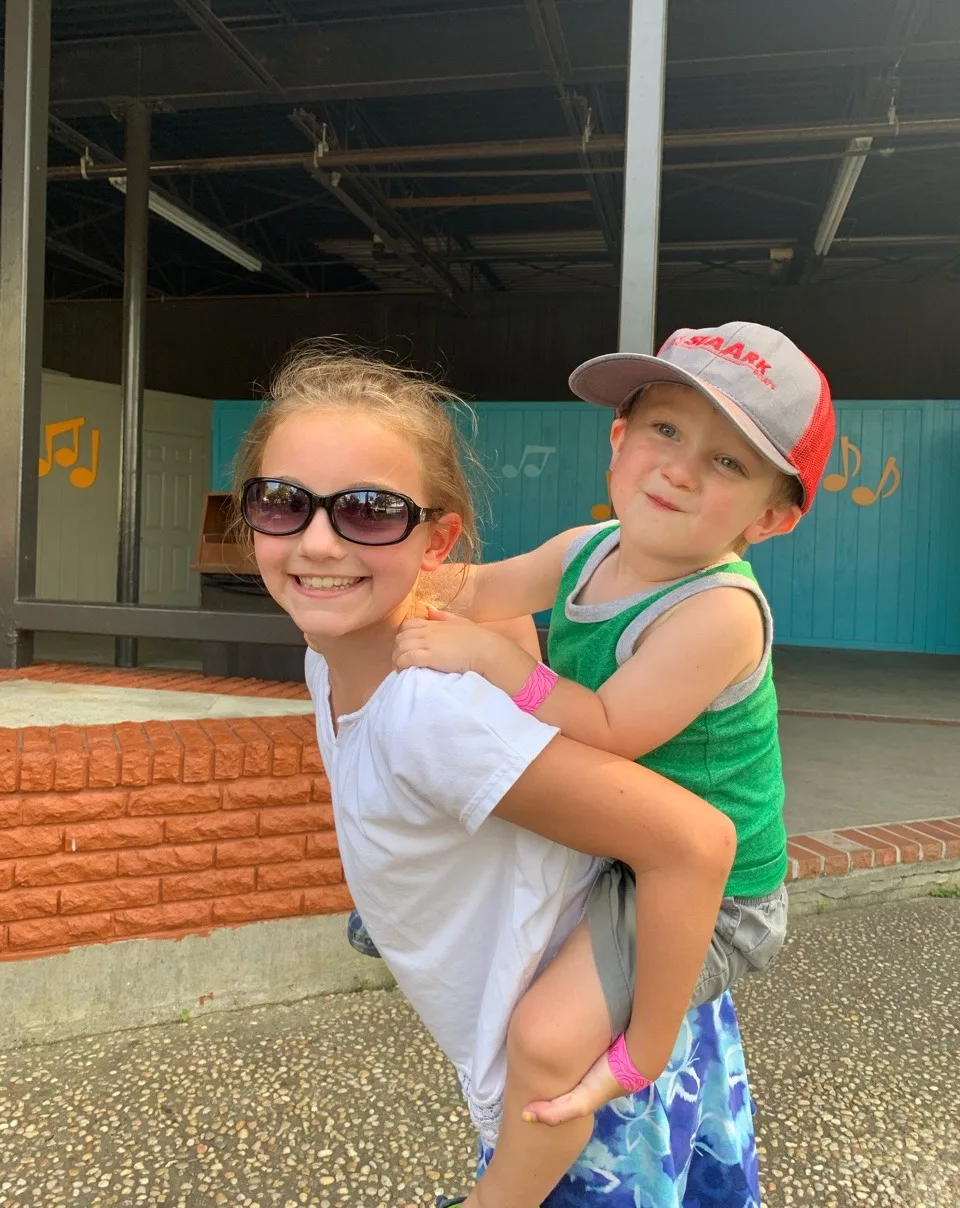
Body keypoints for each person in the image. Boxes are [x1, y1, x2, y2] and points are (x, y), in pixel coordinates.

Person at [233, 338, 759, 1208]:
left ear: (437, 539)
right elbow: (502, 612)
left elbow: (694, 841)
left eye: (369, 512)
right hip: (624, 974)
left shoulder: (431, 713)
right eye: (283, 501)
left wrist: (642, 1049)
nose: (318, 542)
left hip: (594, 1072)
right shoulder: (333, 651)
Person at [393, 322, 835, 1147]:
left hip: (713, 895)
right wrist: (373, 569)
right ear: (619, 440)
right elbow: (476, 588)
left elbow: (609, 730)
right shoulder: (586, 548)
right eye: (665, 429)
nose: (680, 469)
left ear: (773, 517)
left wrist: (494, 659)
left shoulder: (718, 612)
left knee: (544, 1037)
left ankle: (630, 1069)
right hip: (627, 837)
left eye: (728, 462)